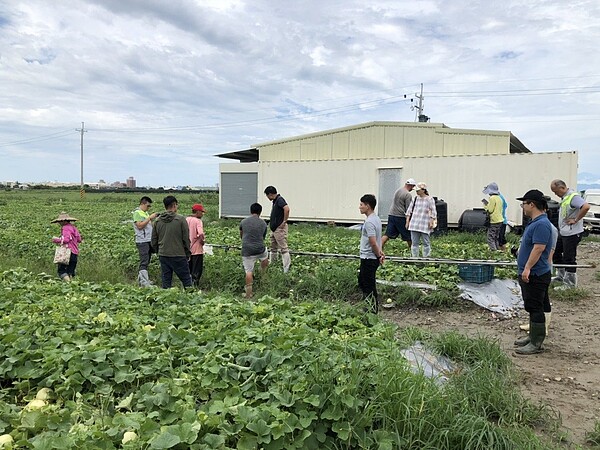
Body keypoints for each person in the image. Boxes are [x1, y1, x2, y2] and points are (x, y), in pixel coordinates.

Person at [513, 189, 553, 355]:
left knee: (535, 306)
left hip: (536, 273)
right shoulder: (536, 222)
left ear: (532, 204)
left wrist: (528, 268)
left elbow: (539, 248)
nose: (523, 207)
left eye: (524, 203)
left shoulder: (542, 224)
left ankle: (536, 343)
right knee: (534, 305)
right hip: (534, 272)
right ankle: (533, 336)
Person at [550, 179, 590, 287]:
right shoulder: (565, 198)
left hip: (572, 233)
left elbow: (586, 207)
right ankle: (561, 276)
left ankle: (570, 283)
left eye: (556, 191)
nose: (555, 194)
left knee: (569, 257)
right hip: (563, 232)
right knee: (556, 252)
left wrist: (576, 219)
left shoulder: (573, 197)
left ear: (562, 188)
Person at [151, 195, 193, 289]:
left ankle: (166, 300)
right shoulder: (180, 219)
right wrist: (187, 253)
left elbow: (154, 240)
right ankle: (191, 300)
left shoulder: (158, 221)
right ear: (174, 205)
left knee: (166, 280)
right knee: (186, 280)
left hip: (163, 254)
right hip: (178, 254)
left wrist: (158, 251)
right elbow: (186, 239)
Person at [358, 194, 384, 314]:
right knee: (363, 281)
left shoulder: (369, 222)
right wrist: (380, 252)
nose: (360, 207)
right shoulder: (376, 219)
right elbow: (378, 240)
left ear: (368, 206)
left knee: (368, 285)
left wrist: (378, 255)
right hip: (371, 256)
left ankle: (371, 310)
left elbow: (373, 242)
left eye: (361, 204)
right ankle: (369, 306)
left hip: (369, 257)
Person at [239, 203, 270, 298]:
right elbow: (263, 237)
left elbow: (242, 234)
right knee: (265, 258)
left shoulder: (243, 222)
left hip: (247, 249)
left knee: (248, 271)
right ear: (260, 212)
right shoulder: (263, 223)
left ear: (250, 211)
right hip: (260, 248)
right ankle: (263, 274)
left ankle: (248, 293)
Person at [381, 178, 416, 251]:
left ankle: (379, 248)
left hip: (391, 214)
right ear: (410, 185)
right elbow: (408, 209)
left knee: (388, 234)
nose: (412, 189)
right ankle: (413, 251)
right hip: (400, 216)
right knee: (408, 235)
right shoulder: (407, 194)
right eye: (412, 187)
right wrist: (409, 220)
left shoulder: (398, 191)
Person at [132, 196, 158, 287]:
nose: (148, 208)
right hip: (142, 241)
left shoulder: (145, 213)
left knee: (147, 260)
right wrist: (150, 218)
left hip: (148, 240)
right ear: (142, 204)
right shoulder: (137, 213)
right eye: (147, 206)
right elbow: (139, 226)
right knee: (144, 261)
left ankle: (144, 279)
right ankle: (143, 282)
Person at [264, 186, 291, 273]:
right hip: (274, 229)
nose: (267, 198)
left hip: (279, 229)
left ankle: (286, 268)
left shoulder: (280, 200)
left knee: (283, 248)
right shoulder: (275, 201)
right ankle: (273, 263)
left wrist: (284, 221)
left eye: (267, 195)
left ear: (270, 194)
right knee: (273, 247)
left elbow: (287, 209)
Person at [406, 182, 437, 257]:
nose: (417, 191)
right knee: (414, 243)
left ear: (423, 190)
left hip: (425, 223)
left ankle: (426, 258)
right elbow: (409, 210)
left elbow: (433, 211)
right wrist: (407, 221)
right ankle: (414, 258)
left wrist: (431, 221)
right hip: (414, 223)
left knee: (426, 242)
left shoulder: (430, 199)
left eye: (418, 190)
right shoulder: (415, 199)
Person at [51, 212, 82, 282]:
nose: (59, 223)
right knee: (70, 272)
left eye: (59, 221)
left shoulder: (65, 228)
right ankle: (73, 287)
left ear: (63, 221)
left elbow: (66, 240)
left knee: (61, 271)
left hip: (67, 253)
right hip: (75, 253)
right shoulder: (74, 228)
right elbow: (79, 239)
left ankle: (69, 284)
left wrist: (56, 240)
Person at [186, 203, 206, 288]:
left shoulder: (186, 219)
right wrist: (202, 241)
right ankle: (195, 286)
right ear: (197, 212)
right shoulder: (198, 221)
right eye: (202, 212)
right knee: (196, 270)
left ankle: (188, 286)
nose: (202, 214)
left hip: (187, 248)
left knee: (189, 269)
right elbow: (200, 233)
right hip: (197, 249)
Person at [482, 182, 505, 251]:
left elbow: (490, 210)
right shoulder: (499, 198)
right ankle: (497, 250)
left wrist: (485, 205)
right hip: (500, 220)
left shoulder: (492, 198)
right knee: (496, 237)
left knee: (490, 237)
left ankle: (494, 252)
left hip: (494, 220)